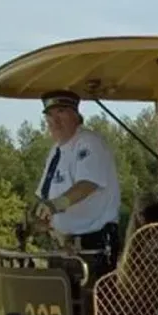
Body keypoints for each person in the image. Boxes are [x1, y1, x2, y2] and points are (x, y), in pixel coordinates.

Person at [32, 90, 122, 269]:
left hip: (93, 244)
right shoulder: (56, 151)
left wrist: (54, 205)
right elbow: (44, 195)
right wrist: (39, 218)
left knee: (94, 297)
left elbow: (87, 184)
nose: (55, 122)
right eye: (50, 116)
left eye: (61, 113)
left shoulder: (89, 143)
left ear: (76, 116)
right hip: (64, 245)